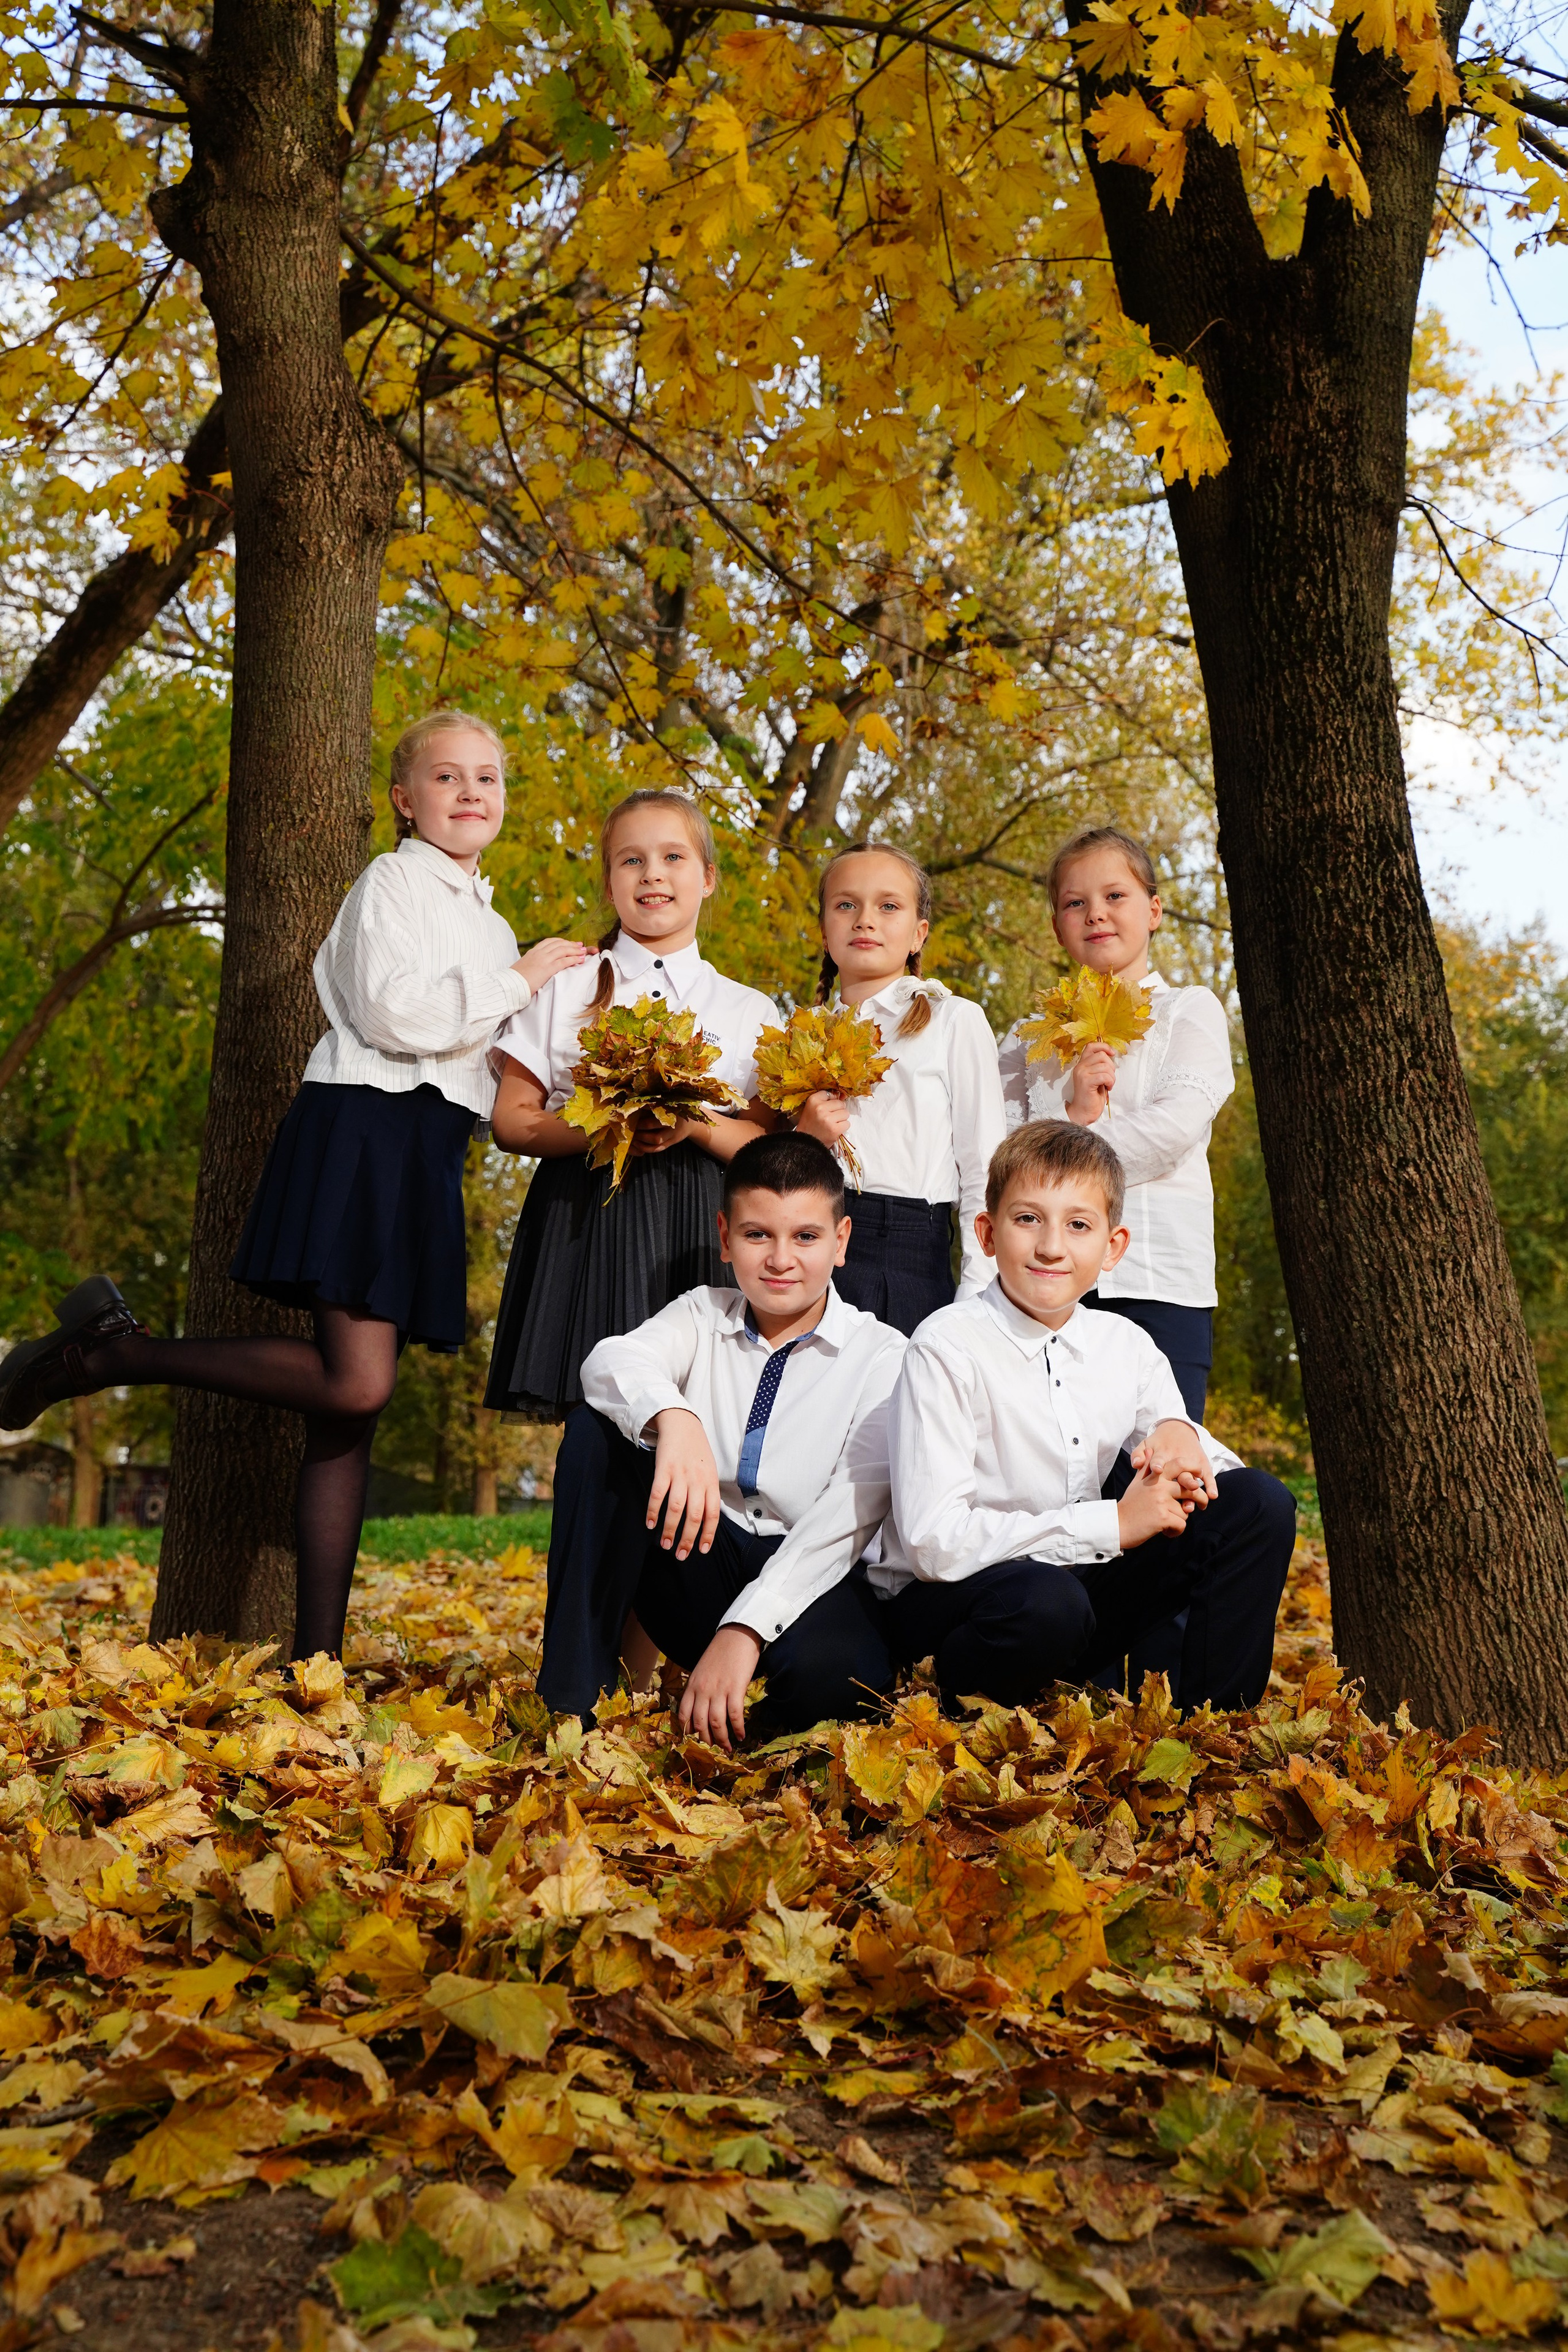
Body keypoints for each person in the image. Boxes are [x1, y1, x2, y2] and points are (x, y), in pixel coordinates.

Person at [0, 710, 584, 1657]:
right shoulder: (393, 880)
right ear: (404, 800)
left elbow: (483, 1067)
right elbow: (394, 1015)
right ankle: (109, 1355)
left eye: (488, 776)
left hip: (429, 1149)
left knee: (345, 1420)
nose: (471, 791)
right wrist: (521, 980)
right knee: (356, 1386)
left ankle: (317, 1666)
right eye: (447, 776)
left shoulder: (494, 923)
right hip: (366, 1129)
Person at [877, 1120, 1294, 1714]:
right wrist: (1112, 1524)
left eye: (1078, 1225)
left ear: (1112, 1247)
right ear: (987, 1233)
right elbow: (931, 1543)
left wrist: (1179, 1434)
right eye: (1028, 1219)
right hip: (961, 1604)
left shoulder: (1125, 1344)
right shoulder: (946, 1346)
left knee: (1259, 1504)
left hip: (1076, 1592)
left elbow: (1198, 1459)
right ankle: (968, 1707)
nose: (1052, 1246)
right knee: (1048, 1601)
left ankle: (1214, 1725)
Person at [541, 1130, 903, 1743]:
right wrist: (674, 1418)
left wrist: (745, 1628)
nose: (780, 1259)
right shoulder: (702, 1312)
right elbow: (609, 1361)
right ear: (725, 1237)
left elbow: (847, 1518)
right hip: (699, 1555)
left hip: (812, 1571)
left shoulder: (883, 1355)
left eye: (805, 1237)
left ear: (840, 1242)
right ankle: (572, 1706)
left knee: (845, 1686)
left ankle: (747, 1716)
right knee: (595, 1433)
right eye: (758, 1235)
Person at [484, 790, 777, 1427]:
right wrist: (607, 1124)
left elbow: (767, 1149)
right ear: (609, 881)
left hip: (700, 1225)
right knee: (592, 1419)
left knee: (698, 1416)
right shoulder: (564, 987)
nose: (652, 874)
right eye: (631, 860)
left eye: (673, 857)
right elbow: (512, 1121)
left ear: (707, 878)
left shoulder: (749, 1010)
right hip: (584, 1211)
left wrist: (692, 1122)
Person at [997, 826, 1233, 1421]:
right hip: (1048, 1282)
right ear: (1057, 926)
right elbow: (1001, 1156)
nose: (1095, 913)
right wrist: (1073, 1114)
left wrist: (1065, 1145)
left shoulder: (1187, 1012)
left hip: (1160, 1284)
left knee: (1158, 1456)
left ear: (1153, 911)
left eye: (1115, 896)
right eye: (1075, 902)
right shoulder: (1029, 1040)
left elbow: (1171, 1131)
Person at [793, 842, 1006, 1336]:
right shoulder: (801, 1036)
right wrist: (804, 1138)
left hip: (908, 1255)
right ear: (824, 931)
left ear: (918, 934)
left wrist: (979, 1296)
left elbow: (985, 1170)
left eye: (888, 906)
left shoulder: (953, 1021)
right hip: (806, 1247)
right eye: (846, 905)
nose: (865, 920)